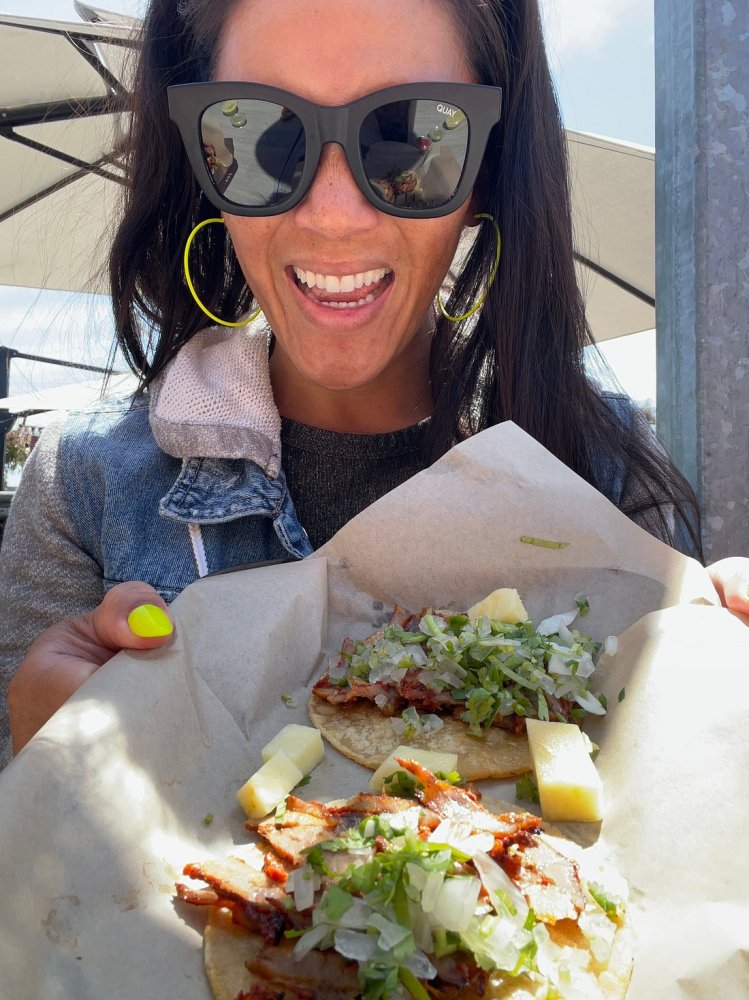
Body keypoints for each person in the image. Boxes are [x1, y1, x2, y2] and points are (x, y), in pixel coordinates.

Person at [1, 0, 746, 766]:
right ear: (201, 163)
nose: (333, 216)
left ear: (487, 172)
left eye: (409, 139)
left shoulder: (609, 476)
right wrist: (37, 768)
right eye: (260, 136)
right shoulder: (81, 488)